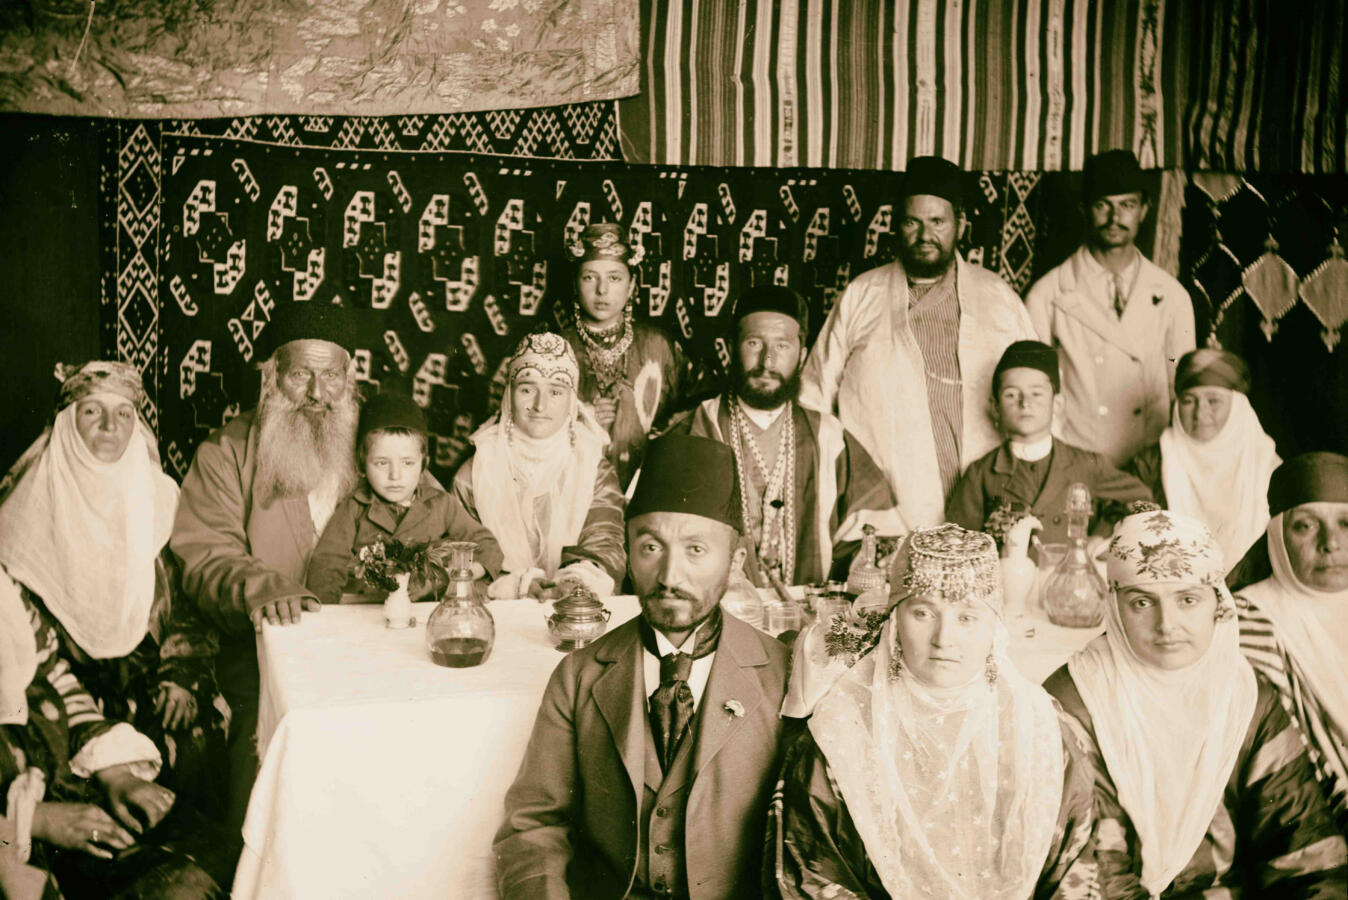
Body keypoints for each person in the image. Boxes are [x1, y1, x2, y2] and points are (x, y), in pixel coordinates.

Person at [494, 434, 790, 899]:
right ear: (628, 554)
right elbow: (534, 827)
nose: (670, 577)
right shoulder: (580, 675)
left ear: (735, 562)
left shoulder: (781, 676)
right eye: (651, 547)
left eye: (696, 550)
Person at [771, 524, 1096, 899]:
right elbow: (813, 875)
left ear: (995, 628)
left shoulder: (1041, 730)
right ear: (894, 622)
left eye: (967, 617)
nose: (944, 638)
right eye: (923, 613)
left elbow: (1077, 870)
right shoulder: (841, 729)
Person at [1044, 510, 1347, 897]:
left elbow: (1303, 843)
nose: (1166, 624)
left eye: (1188, 599)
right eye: (1142, 602)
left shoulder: (1245, 696)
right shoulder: (1074, 702)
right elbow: (1090, 873)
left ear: (1217, 603)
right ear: (1115, 607)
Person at [0, 361, 228, 818]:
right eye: (92, 412)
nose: (110, 426)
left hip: (149, 676)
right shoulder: (21, 514)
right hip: (61, 687)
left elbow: (188, 599)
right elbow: (22, 642)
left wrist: (179, 674)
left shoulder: (161, 499)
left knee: (197, 731)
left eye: (124, 414)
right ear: (66, 423)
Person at [171, 302, 360, 831]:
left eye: (330, 377)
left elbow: (430, 519)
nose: (317, 395)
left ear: (349, 379)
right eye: (301, 374)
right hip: (261, 660)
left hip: (366, 654)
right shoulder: (226, 452)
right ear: (273, 376)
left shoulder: (378, 447)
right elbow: (206, 557)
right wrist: (264, 587)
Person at [800, 155, 1037, 528]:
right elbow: (813, 401)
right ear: (896, 225)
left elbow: (1038, 397)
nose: (925, 236)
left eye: (937, 222)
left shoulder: (998, 298)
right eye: (913, 222)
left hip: (988, 501)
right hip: (886, 504)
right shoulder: (862, 295)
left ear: (960, 225)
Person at [0, 573, 239, 898]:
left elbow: (54, 677)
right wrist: (36, 821)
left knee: (230, 859)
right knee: (182, 890)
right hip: (15, 833)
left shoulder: (6, 588)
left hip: (55, 784)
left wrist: (114, 771)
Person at [671, 284, 903, 586]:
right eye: (754, 343)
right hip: (720, 609)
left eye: (782, 346)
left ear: (802, 355)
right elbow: (659, 535)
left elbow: (872, 535)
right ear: (731, 347)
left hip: (809, 611)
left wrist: (871, 560)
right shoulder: (697, 429)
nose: (767, 361)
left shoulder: (828, 436)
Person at [1025, 149, 1196, 467]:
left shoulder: (1173, 295)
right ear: (1084, 209)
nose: (1115, 219)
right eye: (1103, 206)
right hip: (1076, 459)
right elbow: (1033, 391)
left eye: (1126, 206)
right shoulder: (1047, 294)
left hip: (1149, 464)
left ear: (1144, 209)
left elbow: (1182, 389)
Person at [454, 332, 626, 600]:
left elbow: (605, 545)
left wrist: (573, 584)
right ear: (509, 395)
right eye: (526, 389)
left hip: (575, 607)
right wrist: (520, 587)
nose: (539, 405)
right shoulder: (474, 473)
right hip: (500, 612)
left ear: (572, 401)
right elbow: (461, 559)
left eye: (555, 391)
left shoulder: (593, 467)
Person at [946, 340, 1153, 546]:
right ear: (995, 407)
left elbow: (1141, 500)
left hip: (1071, 576)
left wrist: (1100, 536)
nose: (1025, 403)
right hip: (1008, 577)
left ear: (1057, 404)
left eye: (1036, 393)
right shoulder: (981, 474)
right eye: (1011, 395)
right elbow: (958, 544)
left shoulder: (1088, 464)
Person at [305, 391, 504, 604]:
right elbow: (327, 564)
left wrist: (449, 577)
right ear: (362, 465)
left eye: (407, 463)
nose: (395, 475)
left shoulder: (441, 504)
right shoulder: (354, 508)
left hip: (425, 610)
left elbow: (487, 545)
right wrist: (327, 616)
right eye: (382, 462)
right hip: (366, 611)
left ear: (424, 464)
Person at [1236, 452, 1348, 822]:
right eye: (1306, 526)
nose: (1331, 543)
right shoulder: (1249, 621)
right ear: (1278, 536)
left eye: (1346, 523)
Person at [1122, 348, 1280, 568]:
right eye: (1189, 401)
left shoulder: (1267, 466)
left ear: (1238, 407)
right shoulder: (1150, 463)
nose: (1200, 412)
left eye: (1213, 401)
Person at [560, 222, 684, 490]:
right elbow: (515, 424)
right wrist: (576, 419)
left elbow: (696, 416)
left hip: (647, 492)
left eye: (614, 277)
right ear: (575, 283)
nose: (602, 290)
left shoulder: (659, 347)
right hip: (568, 492)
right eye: (590, 277)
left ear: (631, 286)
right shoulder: (554, 347)